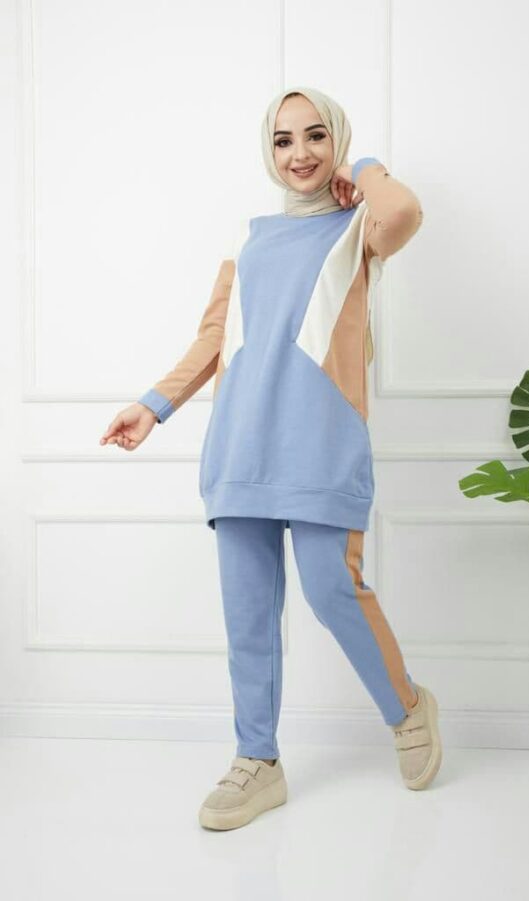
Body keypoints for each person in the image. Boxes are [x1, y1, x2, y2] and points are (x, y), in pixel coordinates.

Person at [100, 85, 442, 831]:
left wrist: (365, 166)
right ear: (268, 150)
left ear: (337, 141)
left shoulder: (359, 228)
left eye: (317, 136)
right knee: (248, 614)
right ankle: (258, 760)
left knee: (332, 588)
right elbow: (214, 336)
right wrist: (153, 405)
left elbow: (404, 212)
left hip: (321, 446)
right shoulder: (249, 238)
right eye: (284, 140)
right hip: (240, 447)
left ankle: (407, 707)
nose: (300, 153)